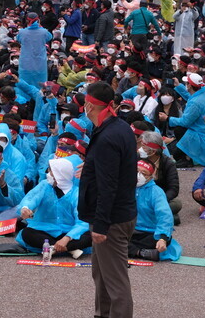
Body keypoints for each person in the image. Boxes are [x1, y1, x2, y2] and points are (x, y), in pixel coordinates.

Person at [78, 81, 137, 318]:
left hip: (111, 219)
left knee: (115, 282)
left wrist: (101, 224)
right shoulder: (120, 127)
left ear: (89, 106)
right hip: (119, 213)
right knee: (101, 275)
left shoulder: (106, 137)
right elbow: (119, 169)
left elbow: (108, 186)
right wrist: (91, 167)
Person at [130, 159, 181, 261]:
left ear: (150, 177)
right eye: (136, 171)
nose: (138, 175)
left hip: (150, 233)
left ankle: (134, 251)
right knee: (109, 238)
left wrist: (162, 238)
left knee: (162, 240)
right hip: (128, 230)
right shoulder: (124, 187)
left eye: (143, 173)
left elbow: (164, 215)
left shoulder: (156, 192)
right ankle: (140, 252)